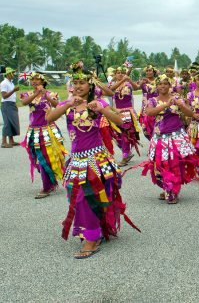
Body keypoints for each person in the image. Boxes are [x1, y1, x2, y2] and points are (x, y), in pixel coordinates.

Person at [46, 70, 139, 259]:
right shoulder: (68, 104)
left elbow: (121, 122)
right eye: (76, 82)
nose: (78, 86)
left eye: (82, 83)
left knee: (91, 196)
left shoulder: (98, 104)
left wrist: (102, 109)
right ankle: (91, 231)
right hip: (77, 159)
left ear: (90, 86)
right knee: (77, 196)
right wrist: (68, 104)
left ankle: (92, 238)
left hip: (97, 159)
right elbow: (49, 118)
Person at [139, 74, 199, 204]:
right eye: (160, 84)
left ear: (170, 85)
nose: (163, 86)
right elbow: (149, 112)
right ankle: (168, 186)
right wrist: (166, 105)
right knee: (160, 164)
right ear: (156, 86)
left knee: (174, 163)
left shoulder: (177, 98)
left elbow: (191, 113)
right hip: (160, 137)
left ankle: (172, 190)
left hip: (176, 135)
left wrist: (181, 105)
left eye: (165, 83)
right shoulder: (153, 100)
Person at [19, 72, 67, 198]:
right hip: (34, 131)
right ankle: (50, 181)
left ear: (42, 81)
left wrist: (45, 94)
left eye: (37, 79)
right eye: (32, 80)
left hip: (48, 130)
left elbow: (57, 106)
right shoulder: (28, 94)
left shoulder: (51, 94)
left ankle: (47, 186)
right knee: (39, 159)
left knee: (48, 158)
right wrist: (36, 93)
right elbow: (24, 103)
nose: (34, 82)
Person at [109, 66, 141, 166]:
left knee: (125, 135)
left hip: (128, 112)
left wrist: (129, 80)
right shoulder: (113, 84)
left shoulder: (128, 84)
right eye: (118, 72)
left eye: (122, 72)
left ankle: (125, 156)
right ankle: (127, 152)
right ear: (115, 74)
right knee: (115, 135)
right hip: (117, 112)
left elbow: (136, 88)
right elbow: (110, 89)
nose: (120, 74)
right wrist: (121, 80)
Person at [138, 65, 159, 140]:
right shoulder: (143, 81)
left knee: (156, 124)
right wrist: (141, 82)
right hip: (145, 106)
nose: (148, 72)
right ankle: (152, 141)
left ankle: (156, 141)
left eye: (150, 70)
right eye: (147, 71)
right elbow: (136, 87)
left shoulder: (158, 80)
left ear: (154, 72)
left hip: (156, 104)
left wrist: (150, 82)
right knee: (145, 127)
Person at [1, 68, 20, 148]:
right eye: (12, 73)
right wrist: (14, 90)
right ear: (8, 74)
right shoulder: (4, 83)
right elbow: (4, 96)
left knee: (12, 122)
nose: (13, 74)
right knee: (7, 123)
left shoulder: (10, 82)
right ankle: (3, 142)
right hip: (6, 104)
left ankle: (11, 141)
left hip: (11, 104)